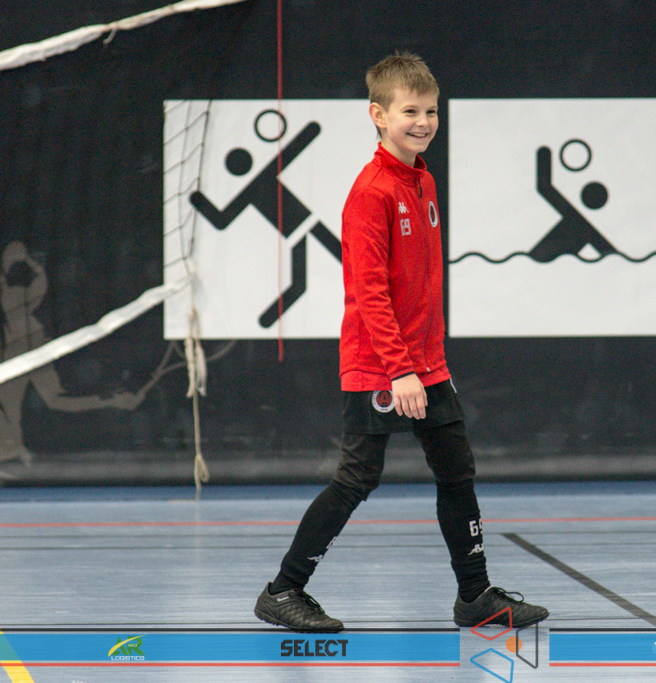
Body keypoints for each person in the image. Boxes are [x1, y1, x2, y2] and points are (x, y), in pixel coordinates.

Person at [254, 51, 549, 633]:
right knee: (357, 477)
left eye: (431, 111)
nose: (423, 122)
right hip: (381, 367)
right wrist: (400, 369)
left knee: (456, 470)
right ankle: (283, 591)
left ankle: (475, 596)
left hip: (426, 364)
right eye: (410, 111)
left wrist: (425, 362)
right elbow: (369, 292)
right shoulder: (371, 192)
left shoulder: (424, 181)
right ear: (378, 115)